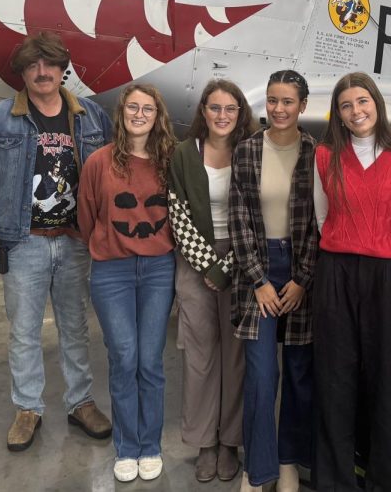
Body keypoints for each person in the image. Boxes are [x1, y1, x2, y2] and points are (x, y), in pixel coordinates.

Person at [0, 31, 114, 453]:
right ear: (23, 72)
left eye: (49, 65)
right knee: (24, 332)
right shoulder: (0, 119)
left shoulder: (93, 117)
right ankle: (27, 408)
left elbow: (111, 179)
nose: (42, 73)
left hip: (75, 242)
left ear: (64, 69)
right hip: (22, 241)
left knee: (76, 328)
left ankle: (80, 402)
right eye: (32, 66)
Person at [312, 72, 391, 492]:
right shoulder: (326, 156)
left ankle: (389, 480)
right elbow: (323, 218)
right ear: (337, 114)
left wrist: (377, 249)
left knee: (388, 376)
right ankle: (336, 480)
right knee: (335, 376)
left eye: (362, 102)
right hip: (335, 272)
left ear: (376, 104)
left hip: (383, 276)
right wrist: (348, 245)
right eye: (346, 105)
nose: (356, 111)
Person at [78, 83, 177, 483]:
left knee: (150, 361)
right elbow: (86, 216)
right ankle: (128, 446)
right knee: (123, 356)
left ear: (158, 116)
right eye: (133, 107)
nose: (139, 114)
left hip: (158, 270)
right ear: (121, 113)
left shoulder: (168, 161)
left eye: (148, 109)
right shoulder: (99, 162)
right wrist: (106, 246)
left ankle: (150, 445)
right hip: (112, 272)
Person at [229, 69, 319, 492]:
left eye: (287, 102)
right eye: (272, 101)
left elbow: (321, 223)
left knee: (300, 374)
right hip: (259, 267)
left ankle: (287, 463)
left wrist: (302, 279)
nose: (278, 109)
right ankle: (257, 470)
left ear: (303, 106)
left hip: (301, 269)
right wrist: (258, 280)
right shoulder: (247, 151)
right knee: (263, 376)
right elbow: (239, 217)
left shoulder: (316, 154)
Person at [167, 79, 258, 483]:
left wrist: (232, 263)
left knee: (236, 359)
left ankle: (229, 442)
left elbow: (257, 214)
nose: (222, 116)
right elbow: (178, 215)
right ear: (203, 111)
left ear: (240, 113)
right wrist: (210, 267)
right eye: (215, 108)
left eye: (230, 109)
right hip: (196, 262)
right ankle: (205, 442)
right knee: (200, 357)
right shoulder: (184, 154)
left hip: (243, 259)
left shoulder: (251, 152)